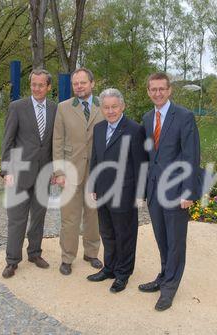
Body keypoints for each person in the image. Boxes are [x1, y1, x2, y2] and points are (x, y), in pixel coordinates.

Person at [139, 72, 201, 311]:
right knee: (162, 238)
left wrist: (189, 192)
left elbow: (191, 156)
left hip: (176, 191)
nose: (157, 93)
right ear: (148, 91)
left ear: (169, 90)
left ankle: (169, 289)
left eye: (161, 89)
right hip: (155, 191)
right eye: (153, 89)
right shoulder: (146, 118)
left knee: (176, 242)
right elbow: (147, 157)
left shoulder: (184, 117)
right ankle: (164, 275)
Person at [87, 88, 147, 293]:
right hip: (103, 191)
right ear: (101, 108)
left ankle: (123, 274)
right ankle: (110, 268)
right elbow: (95, 158)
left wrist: (140, 193)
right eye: (106, 107)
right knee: (107, 233)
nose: (110, 111)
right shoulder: (99, 128)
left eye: (114, 106)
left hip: (125, 192)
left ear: (122, 107)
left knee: (125, 235)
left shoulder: (134, 129)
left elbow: (140, 164)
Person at [0, 69, 57, 278]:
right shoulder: (17, 107)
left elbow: (53, 143)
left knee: (38, 217)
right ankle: (12, 261)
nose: (37, 88)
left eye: (41, 85)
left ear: (49, 87)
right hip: (19, 173)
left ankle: (34, 253)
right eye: (34, 84)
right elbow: (7, 141)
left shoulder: (54, 109)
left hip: (44, 173)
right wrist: (6, 170)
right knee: (17, 219)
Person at [52, 68, 104, 275]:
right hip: (70, 171)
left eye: (83, 83)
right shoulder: (63, 108)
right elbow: (57, 141)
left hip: (96, 171)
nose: (79, 87)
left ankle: (91, 253)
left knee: (93, 216)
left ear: (92, 83)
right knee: (69, 218)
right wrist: (59, 173)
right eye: (76, 84)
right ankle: (67, 257)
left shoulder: (105, 105)